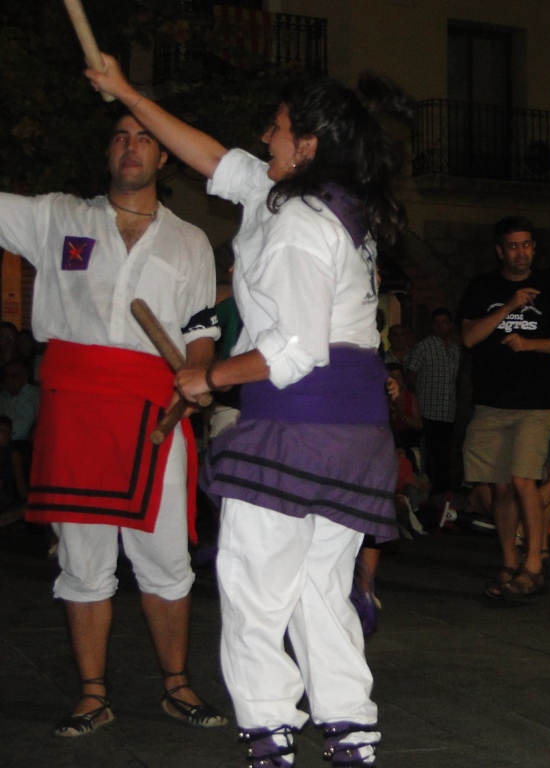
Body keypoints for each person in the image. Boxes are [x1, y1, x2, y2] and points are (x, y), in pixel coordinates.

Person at [89, 55, 408, 767]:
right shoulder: (320, 206)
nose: (265, 139)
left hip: (299, 420)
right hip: (352, 433)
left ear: (309, 146)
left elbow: (295, 349)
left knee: (254, 581)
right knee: (321, 585)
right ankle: (350, 727)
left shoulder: (297, 224)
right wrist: (128, 94)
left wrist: (208, 377)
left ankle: (268, 731)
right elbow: (207, 155)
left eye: (278, 129)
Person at [0, 111, 224, 736]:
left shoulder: (190, 241)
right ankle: (92, 694)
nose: (131, 147)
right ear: (108, 153)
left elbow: (201, 327)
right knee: (83, 559)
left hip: (155, 406)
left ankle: (176, 685)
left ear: (164, 159)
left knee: (163, 557)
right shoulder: (56, 218)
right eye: (121, 137)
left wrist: (198, 373)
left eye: (144, 138)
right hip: (75, 406)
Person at [457, 216, 550, 598]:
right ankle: (509, 562)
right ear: (500, 250)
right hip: (492, 403)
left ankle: (533, 563)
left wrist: (529, 345)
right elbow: (470, 338)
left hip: (536, 402)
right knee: (500, 487)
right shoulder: (483, 288)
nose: (521, 252)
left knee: (525, 480)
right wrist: (509, 305)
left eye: (526, 244)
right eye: (513, 246)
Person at [405, 308, 460, 493]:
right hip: (427, 410)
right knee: (429, 456)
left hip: (447, 411)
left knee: (444, 456)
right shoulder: (424, 346)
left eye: (444, 321)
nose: (441, 325)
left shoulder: (455, 349)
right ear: (432, 325)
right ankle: (428, 495)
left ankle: (443, 494)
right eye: (437, 322)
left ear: (450, 324)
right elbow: (411, 375)